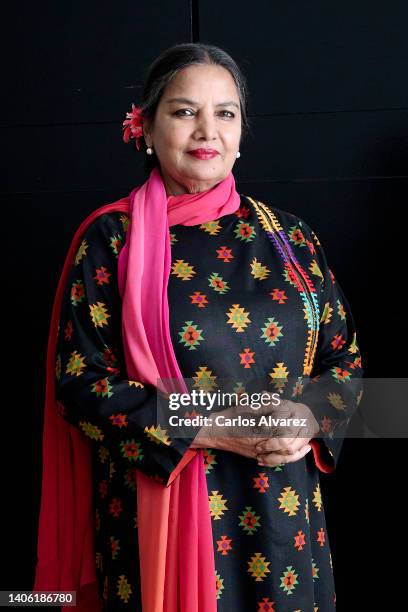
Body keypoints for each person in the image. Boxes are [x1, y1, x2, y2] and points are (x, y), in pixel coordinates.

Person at [33, 43, 363, 611]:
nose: (207, 130)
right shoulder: (111, 239)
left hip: (284, 516)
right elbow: (80, 386)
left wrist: (311, 416)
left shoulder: (291, 238)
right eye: (185, 111)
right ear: (145, 126)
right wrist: (213, 427)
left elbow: (347, 362)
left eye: (225, 113)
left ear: (241, 131)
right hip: (161, 513)